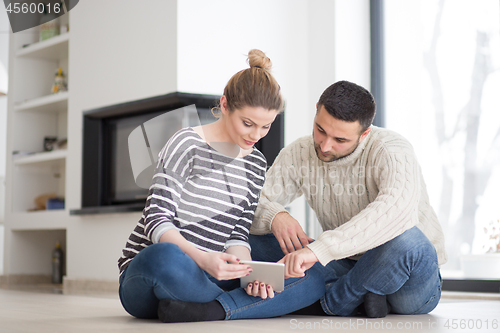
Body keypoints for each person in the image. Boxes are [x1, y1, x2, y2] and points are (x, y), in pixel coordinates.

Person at [117, 49, 324, 323]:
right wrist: (203, 259)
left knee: (314, 273)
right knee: (164, 257)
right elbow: (156, 220)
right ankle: (235, 306)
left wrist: (247, 274)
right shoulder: (186, 143)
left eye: (266, 126)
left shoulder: (255, 164)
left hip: (211, 272)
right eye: (248, 123)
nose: (256, 135)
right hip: (157, 271)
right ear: (225, 105)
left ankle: (208, 307)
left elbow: (237, 234)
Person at [249, 80, 447, 318]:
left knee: (410, 240)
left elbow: (396, 212)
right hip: (343, 264)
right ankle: (361, 295)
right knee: (245, 235)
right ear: (316, 110)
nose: (325, 146)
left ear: (365, 134)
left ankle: (330, 302)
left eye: (340, 140)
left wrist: (318, 250)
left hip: (405, 276)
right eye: (320, 130)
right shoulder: (300, 152)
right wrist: (274, 216)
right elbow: (249, 202)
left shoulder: (392, 149)